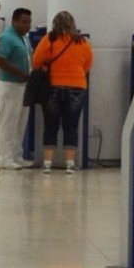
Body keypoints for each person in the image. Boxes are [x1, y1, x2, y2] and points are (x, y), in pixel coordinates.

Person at [32, 11, 93, 174]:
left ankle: (47, 163)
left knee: (50, 125)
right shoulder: (82, 41)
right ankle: (70, 164)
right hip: (77, 87)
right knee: (71, 126)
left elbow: (36, 61)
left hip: (53, 86)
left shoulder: (49, 39)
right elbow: (87, 64)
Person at [0, 8, 33, 170]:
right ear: (14, 21)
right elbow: (0, 59)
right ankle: (5, 157)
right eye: (24, 22)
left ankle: (17, 155)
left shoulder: (24, 38)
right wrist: (19, 73)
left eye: (29, 22)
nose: (27, 25)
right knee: (9, 122)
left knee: (20, 121)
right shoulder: (7, 38)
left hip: (23, 86)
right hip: (10, 85)